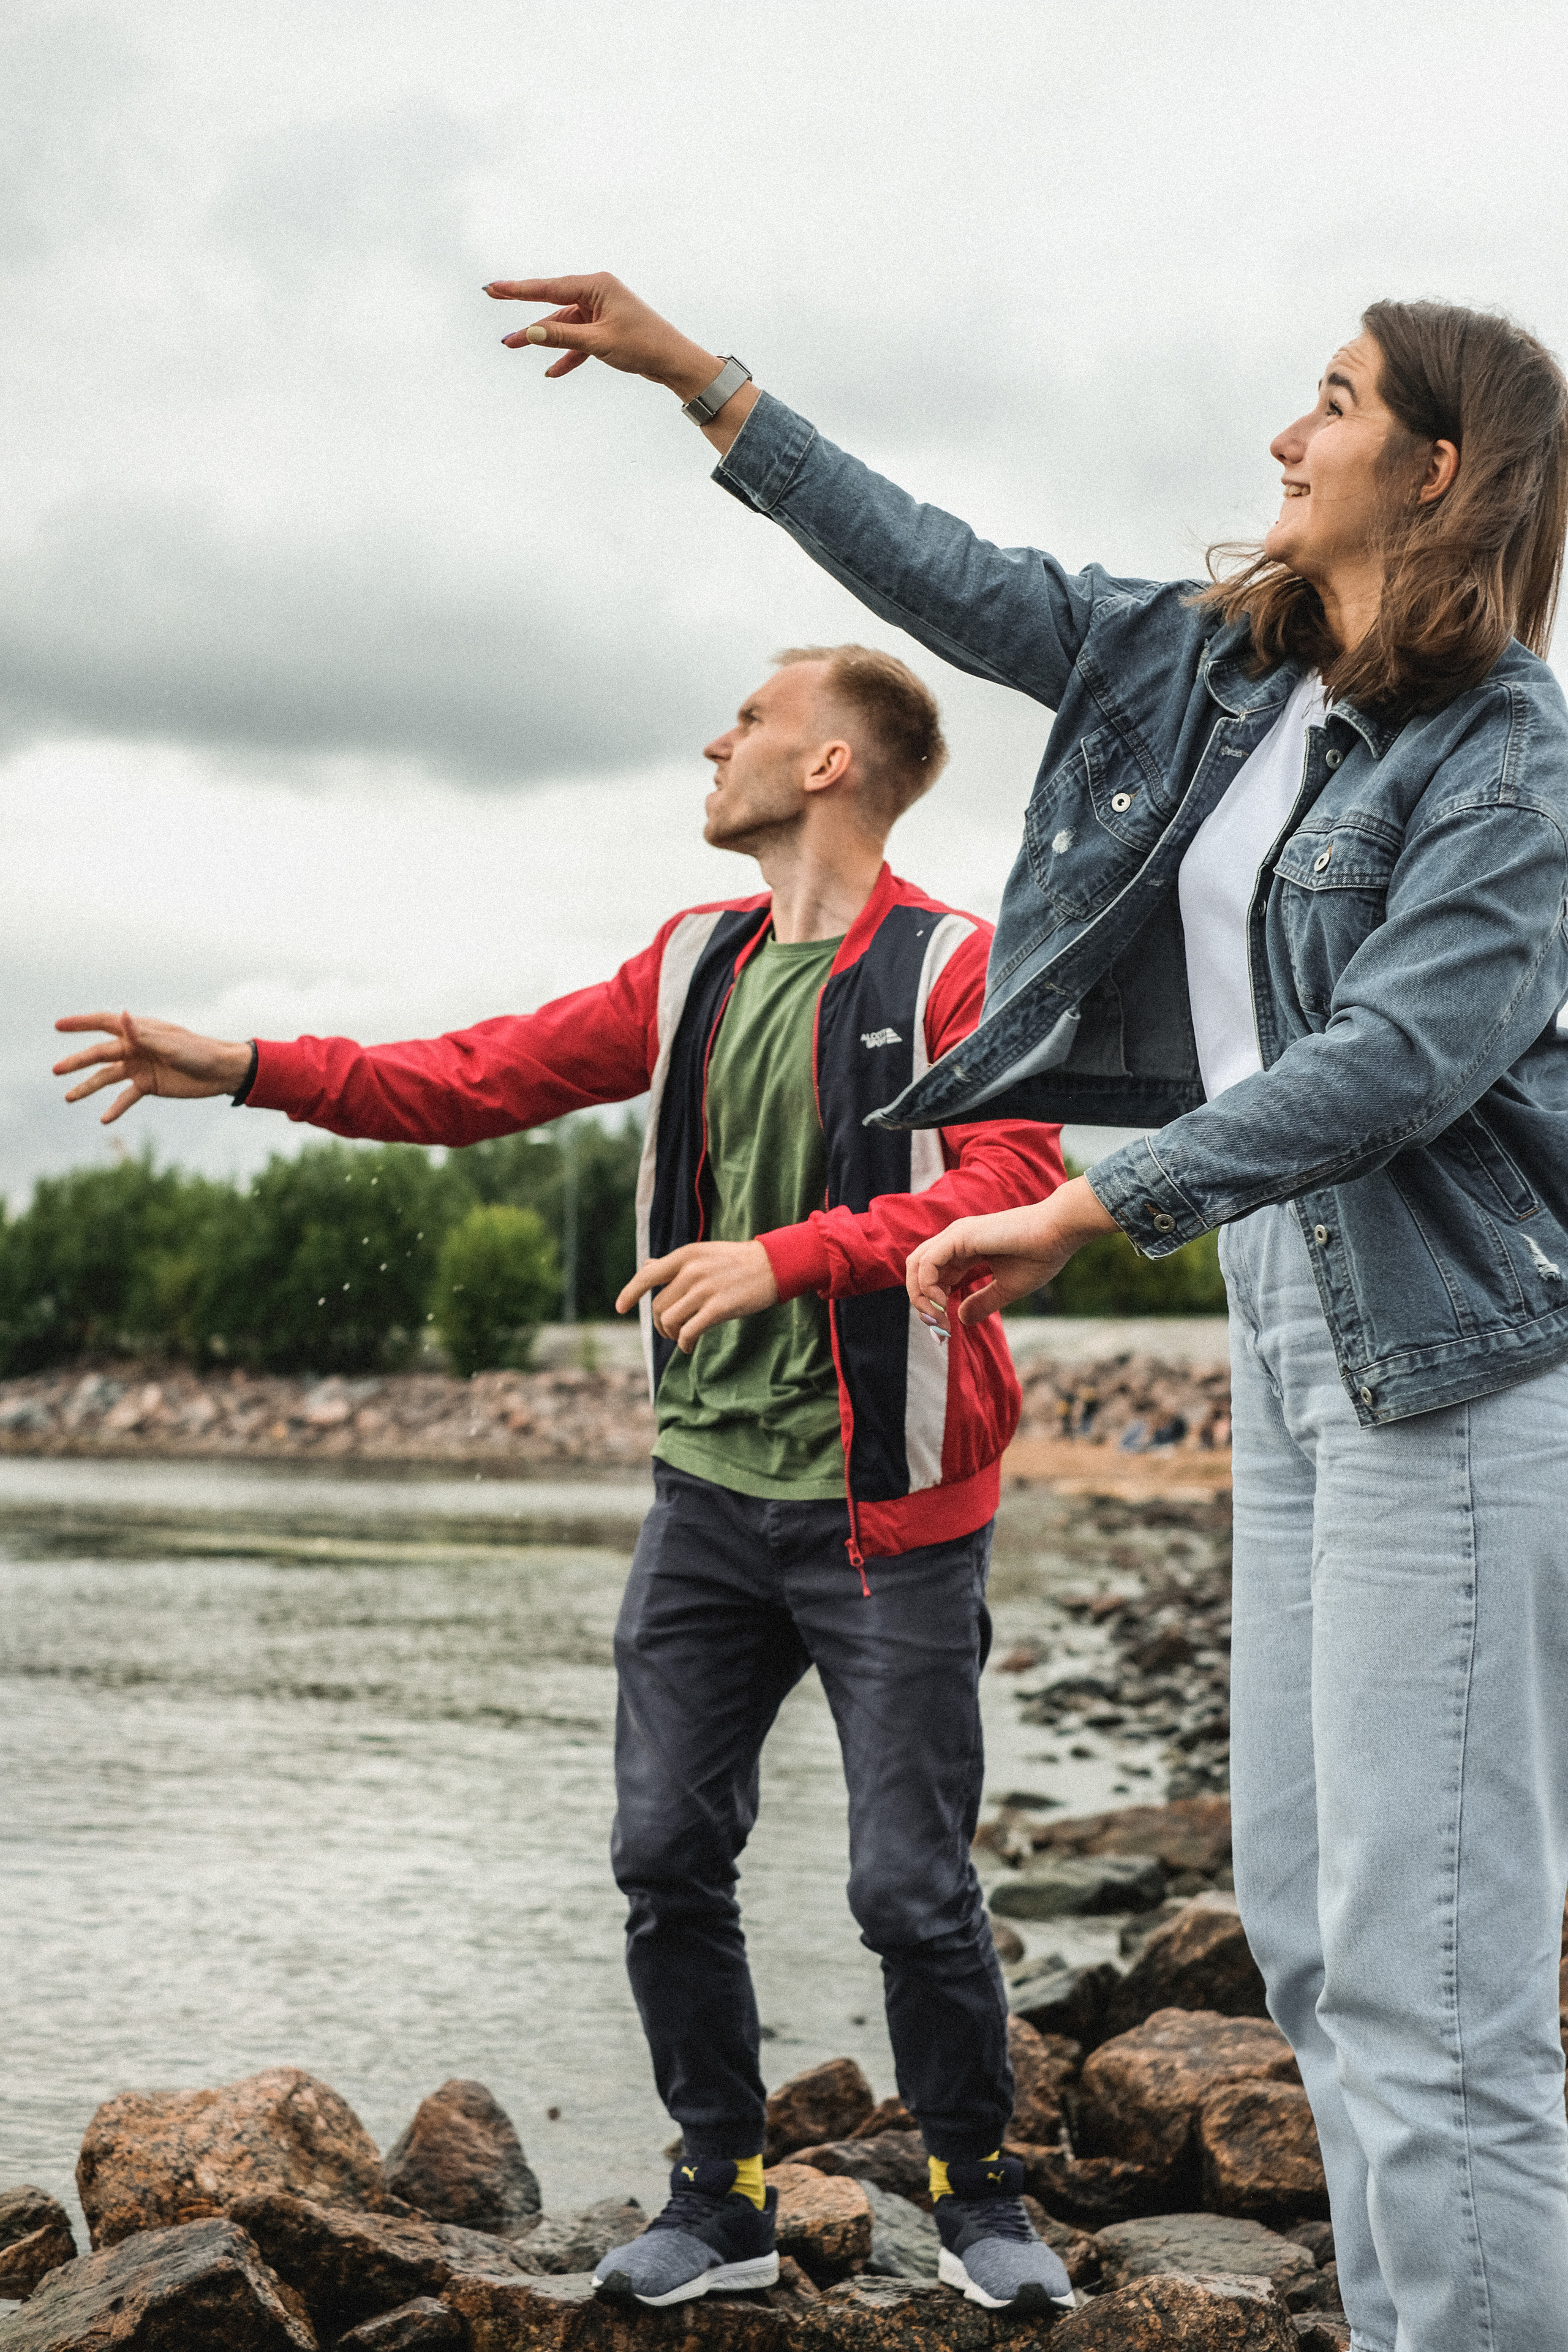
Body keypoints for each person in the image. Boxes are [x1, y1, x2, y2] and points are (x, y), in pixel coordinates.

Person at [482, 276, 1568, 2351]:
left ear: (1436, 471)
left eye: (1332, 403)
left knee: (1436, 1975)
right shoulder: (1219, 668)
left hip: (1450, 1344)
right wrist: (706, 385)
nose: (1286, 440)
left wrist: (1094, 1197)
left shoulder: (1508, 745)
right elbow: (955, 577)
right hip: (1291, 1314)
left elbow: (1412, 1053)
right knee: (1313, 1942)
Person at [55, 643, 1077, 2317]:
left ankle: (982, 2198)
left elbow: (1015, 1186)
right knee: (664, 1853)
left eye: (750, 719)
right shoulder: (690, 964)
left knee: (906, 1886)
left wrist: (788, 1256)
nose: (715, 742)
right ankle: (721, 2197)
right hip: (706, 1503)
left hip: (888, 1514)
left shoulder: (959, 966)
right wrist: (246, 1067)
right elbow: (476, 1079)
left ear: (831, 761)